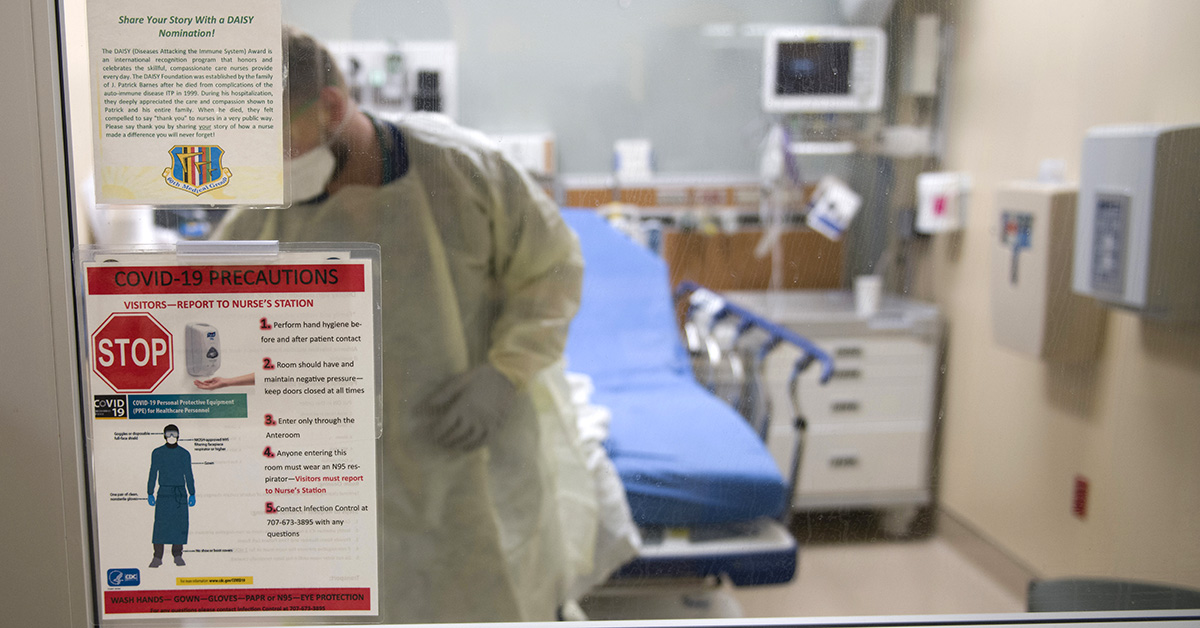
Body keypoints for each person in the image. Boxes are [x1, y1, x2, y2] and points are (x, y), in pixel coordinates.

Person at [213, 27, 586, 623]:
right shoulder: (256, 220)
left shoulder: (465, 172)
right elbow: (211, 336)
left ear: (332, 109)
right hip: (331, 492)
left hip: (470, 459)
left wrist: (506, 372)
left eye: (275, 138)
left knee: (485, 598)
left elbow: (552, 271)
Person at [146, 424, 195, 568]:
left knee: (179, 524)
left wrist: (192, 493)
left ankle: (178, 555)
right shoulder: (157, 453)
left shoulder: (184, 454)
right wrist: (150, 492)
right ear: (164, 436)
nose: (171, 437)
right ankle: (157, 557)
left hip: (180, 493)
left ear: (178, 435)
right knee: (161, 524)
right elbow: (153, 472)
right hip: (164, 493)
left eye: (174, 434)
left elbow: (188, 474)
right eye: (169, 434)